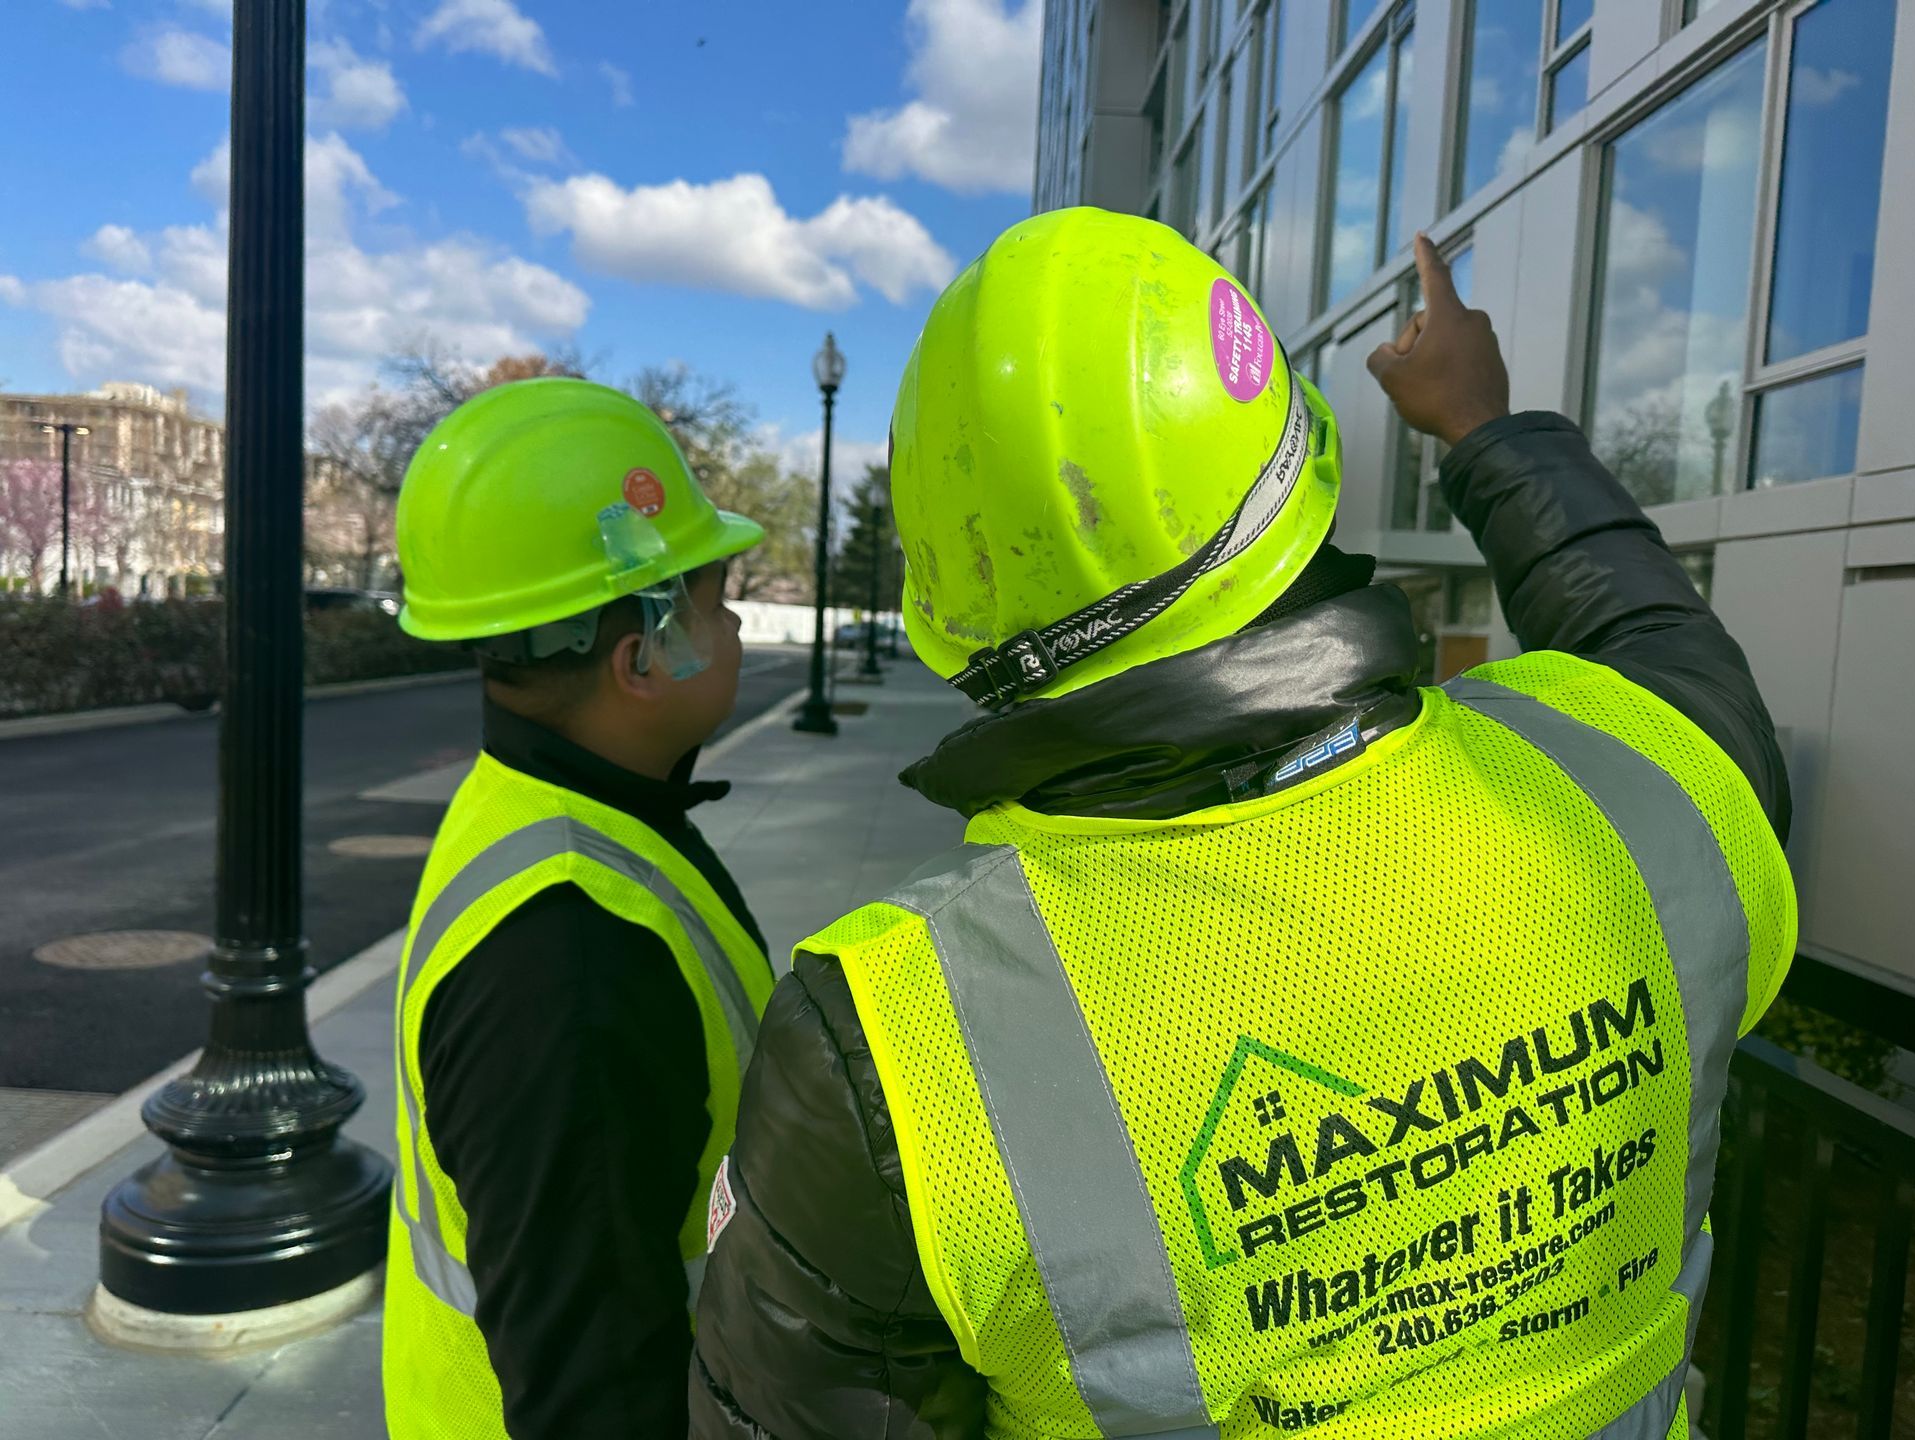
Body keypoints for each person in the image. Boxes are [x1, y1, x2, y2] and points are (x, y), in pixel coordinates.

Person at [689, 210, 1795, 1438]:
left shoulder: (896, 1046)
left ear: (959, 608)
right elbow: (1654, 638)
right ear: (1295, 478)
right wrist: (1486, 429)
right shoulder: (1638, 778)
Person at [380, 377, 775, 1438]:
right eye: (709, 590)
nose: (732, 614)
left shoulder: (540, 805)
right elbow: (594, 1396)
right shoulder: (571, 965)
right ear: (643, 657)